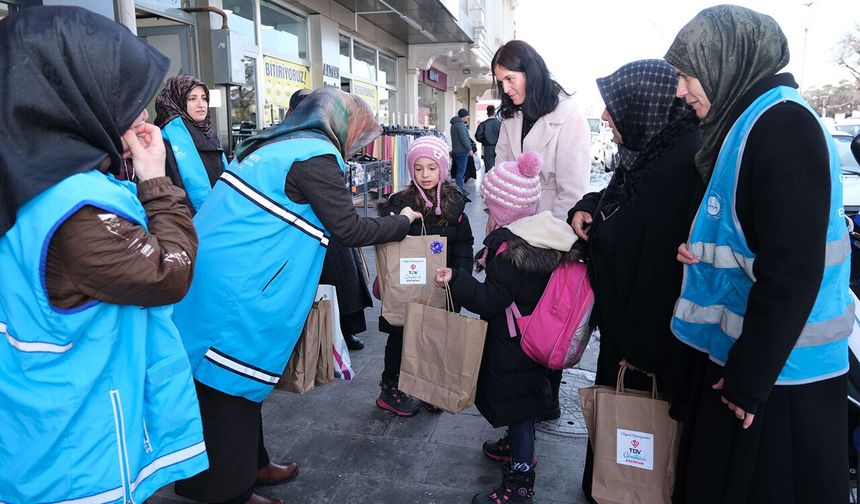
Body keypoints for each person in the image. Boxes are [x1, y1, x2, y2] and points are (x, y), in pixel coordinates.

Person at [171, 87, 421, 504]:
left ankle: (252, 464)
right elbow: (350, 229)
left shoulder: (276, 144)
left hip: (224, 274)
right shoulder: (314, 156)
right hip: (241, 288)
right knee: (227, 388)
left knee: (238, 383)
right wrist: (402, 220)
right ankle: (228, 491)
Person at [0, 6, 207, 503]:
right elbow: (168, 273)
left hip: (36, 409)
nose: (141, 116)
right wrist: (157, 179)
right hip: (77, 439)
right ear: (73, 95)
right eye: (128, 99)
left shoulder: (26, 172)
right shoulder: (75, 207)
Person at [666, 6, 852, 503]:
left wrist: (748, 381)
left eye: (686, 73)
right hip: (758, 367)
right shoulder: (752, 121)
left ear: (725, 60)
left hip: (782, 381)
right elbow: (752, 241)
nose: (680, 90)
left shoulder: (782, 125)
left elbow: (792, 271)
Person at [567, 59, 702, 503]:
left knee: (640, 443)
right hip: (628, 334)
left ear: (643, 107)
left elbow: (656, 260)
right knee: (617, 435)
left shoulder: (681, 167)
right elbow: (613, 195)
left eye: (613, 107)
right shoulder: (648, 155)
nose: (606, 117)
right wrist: (584, 207)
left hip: (651, 347)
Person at [435, 151, 577, 504]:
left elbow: (489, 301)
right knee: (524, 404)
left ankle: (519, 484)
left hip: (514, 345)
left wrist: (457, 279)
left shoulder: (508, 255)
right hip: (534, 340)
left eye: (488, 207)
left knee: (521, 410)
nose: (485, 212)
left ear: (501, 212)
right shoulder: (541, 239)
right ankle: (515, 448)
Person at [490, 39, 591, 422]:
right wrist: (496, 214)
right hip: (511, 225)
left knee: (543, 319)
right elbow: (500, 165)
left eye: (510, 79)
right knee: (513, 320)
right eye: (500, 81)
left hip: (548, 236)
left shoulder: (569, 116)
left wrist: (558, 244)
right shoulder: (510, 116)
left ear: (530, 72)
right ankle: (523, 410)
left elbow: (572, 192)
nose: (506, 88)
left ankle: (542, 401)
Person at [376, 135, 475, 416]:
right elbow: (387, 242)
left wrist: (460, 274)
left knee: (435, 335)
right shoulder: (399, 203)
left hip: (441, 284)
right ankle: (391, 386)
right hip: (406, 286)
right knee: (400, 335)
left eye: (431, 168)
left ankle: (429, 385)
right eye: (418, 168)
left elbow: (463, 244)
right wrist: (401, 219)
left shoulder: (455, 206)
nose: (425, 174)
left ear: (442, 169)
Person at [155, 74, 228, 213]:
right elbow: (174, 191)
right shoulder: (166, 140)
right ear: (177, 102)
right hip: (192, 222)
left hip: (220, 216)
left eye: (204, 98)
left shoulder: (208, 134)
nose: (201, 104)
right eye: (192, 98)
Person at [450, 107, 477, 190]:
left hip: (456, 151)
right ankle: (460, 190)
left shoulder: (454, 125)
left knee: (459, 171)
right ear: (464, 116)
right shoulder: (460, 125)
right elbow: (464, 139)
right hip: (462, 151)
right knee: (461, 171)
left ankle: (459, 188)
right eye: (467, 116)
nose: (468, 118)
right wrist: (470, 149)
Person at [475, 104, 502, 170]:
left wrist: (484, 140)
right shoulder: (500, 123)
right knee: (498, 168)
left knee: (489, 168)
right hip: (499, 147)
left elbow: (477, 136)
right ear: (495, 112)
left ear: (487, 113)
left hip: (487, 147)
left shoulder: (483, 124)